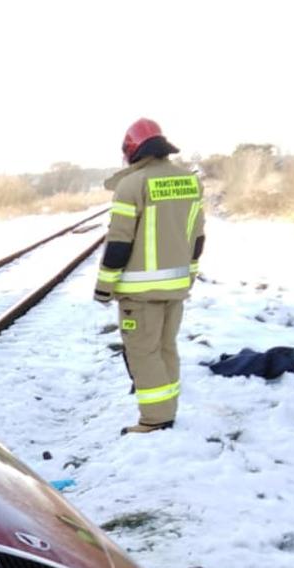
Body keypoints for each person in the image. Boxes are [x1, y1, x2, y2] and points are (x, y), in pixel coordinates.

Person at [96, 119, 205, 434]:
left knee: (143, 353)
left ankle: (155, 419)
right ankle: (167, 410)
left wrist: (104, 287)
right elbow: (198, 238)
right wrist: (189, 276)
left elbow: (119, 243)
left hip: (139, 293)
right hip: (176, 287)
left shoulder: (132, 185)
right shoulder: (190, 181)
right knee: (166, 348)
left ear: (131, 149)